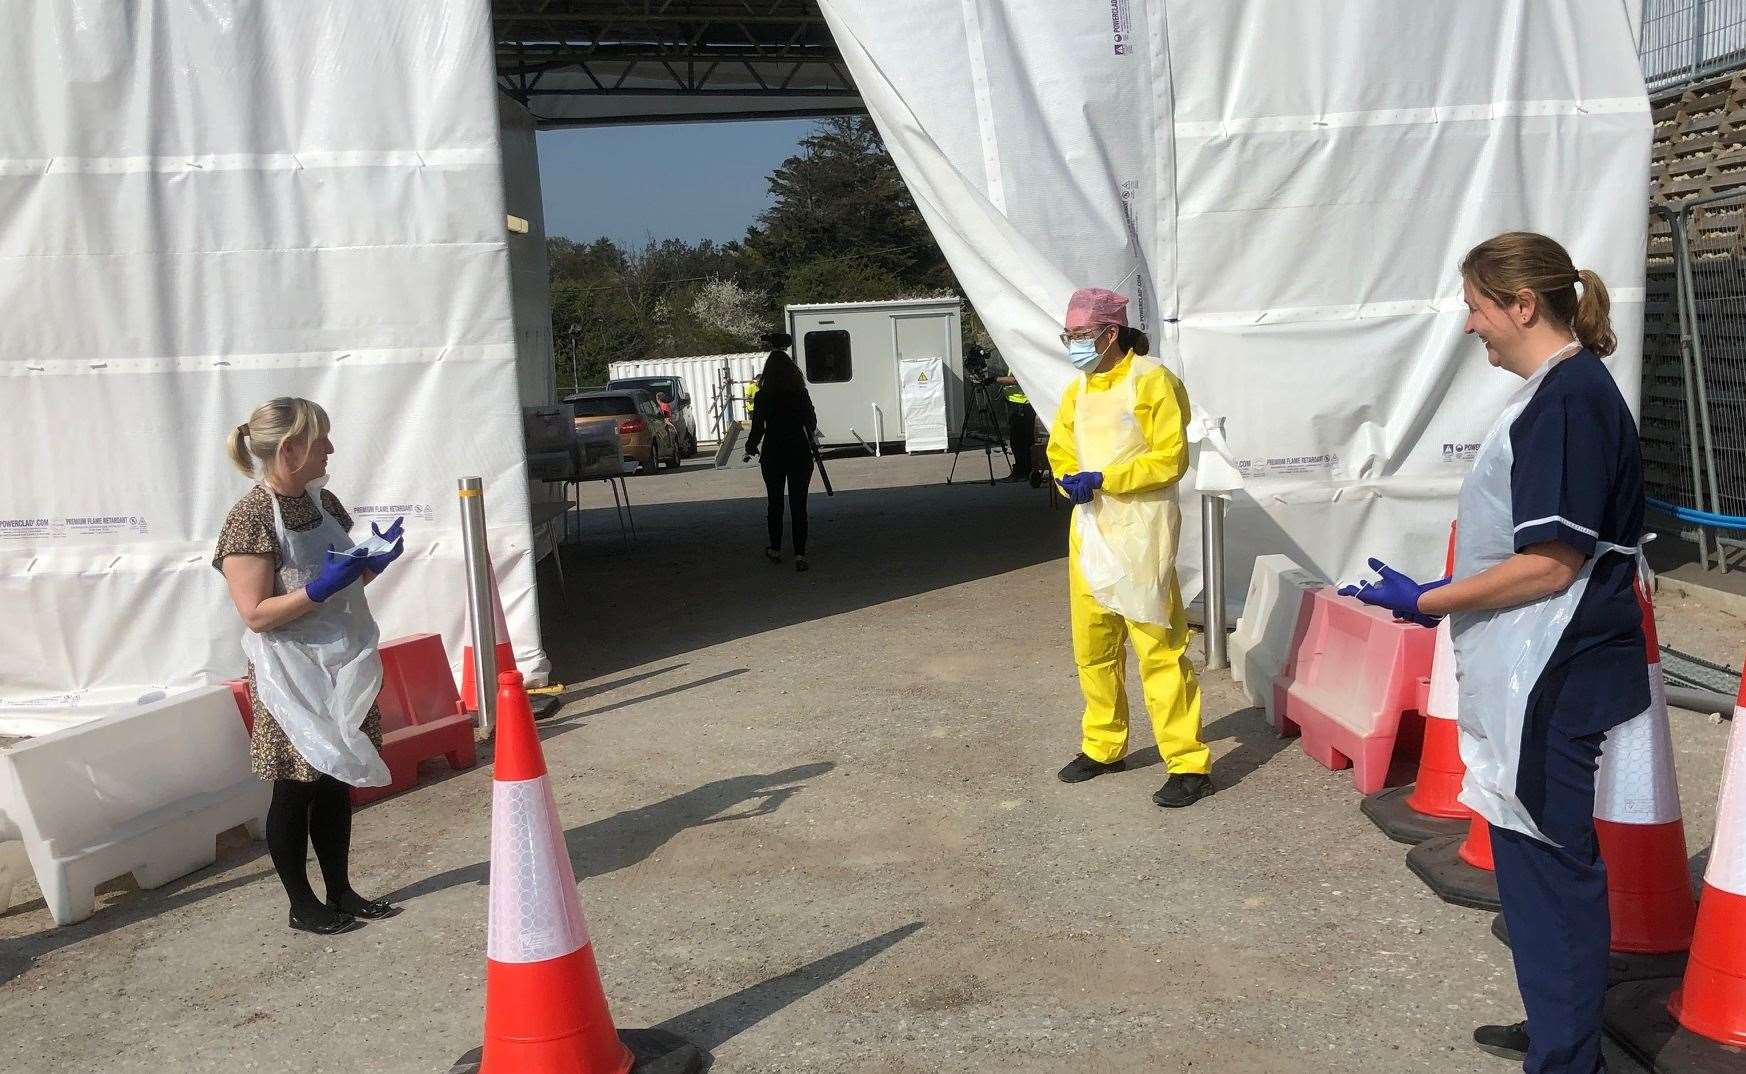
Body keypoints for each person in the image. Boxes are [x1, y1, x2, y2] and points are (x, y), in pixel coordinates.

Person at [1342, 232, 1643, 1074]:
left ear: (1522, 305)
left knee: (1551, 867)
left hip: (1557, 670)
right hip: (1536, 668)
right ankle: (1559, 1027)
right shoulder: (1556, 393)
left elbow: (1550, 563)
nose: (1470, 326)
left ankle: (1568, 1056)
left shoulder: (1570, 401)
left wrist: (1426, 601)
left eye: (1477, 306)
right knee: (1529, 861)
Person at [213, 397, 407, 936]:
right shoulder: (250, 518)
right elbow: (255, 614)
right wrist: (318, 588)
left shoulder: (326, 504)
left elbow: (344, 587)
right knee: (296, 786)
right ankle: (302, 904)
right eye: (321, 439)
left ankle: (341, 890)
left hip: (341, 663)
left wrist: (370, 566)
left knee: (334, 779)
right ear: (291, 448)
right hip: (289, 674)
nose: (331, 449)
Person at [1046, 287, 1213, 808]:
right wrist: (1067, 480)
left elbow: (1169, 458)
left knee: (1158, 648)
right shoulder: (1079, 390)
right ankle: (1103, 745)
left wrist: (1108, 477)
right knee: (1093, 647)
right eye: (1068, 336)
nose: (1073, 345)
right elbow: (1061, 450)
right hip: (1092, 529)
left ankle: (1187, 762)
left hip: (1143, 531)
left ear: (1110, 333)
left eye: (1079, 336)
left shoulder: (1152, 379)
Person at [744, 335, 818, 572]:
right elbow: (812, 422)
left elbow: (757, 428)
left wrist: (750, 446)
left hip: (773, 452)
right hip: (799, 451)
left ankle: (775, 548)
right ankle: (800, 554)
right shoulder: (800, 393)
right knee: (799, 504)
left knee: (774, 502)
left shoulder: (763, 396)